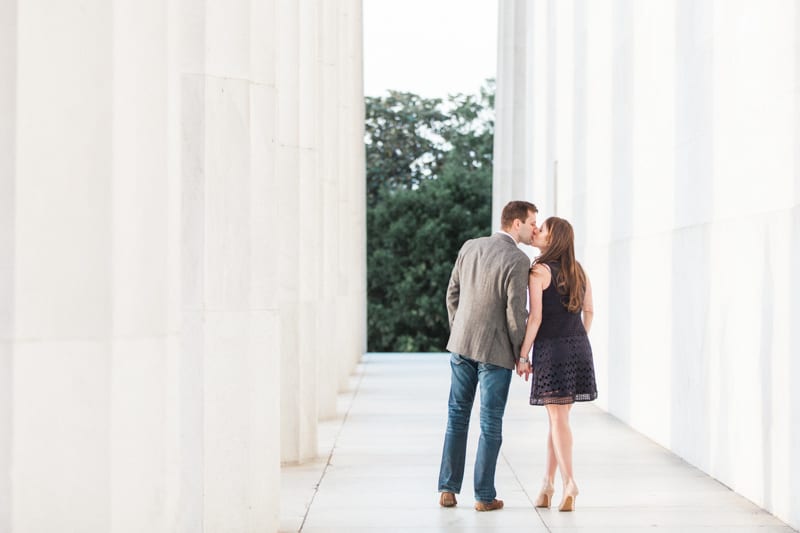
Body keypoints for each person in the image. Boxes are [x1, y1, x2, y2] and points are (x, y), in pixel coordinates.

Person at [438, 200, 539, 512]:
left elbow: (451, 293)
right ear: (515, 223)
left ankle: (447, 488)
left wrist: (460, 329)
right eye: (532, 222)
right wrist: (522, 353)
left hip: (461, 344)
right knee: (490, 423)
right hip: (494, 352)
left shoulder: (471, 246)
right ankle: (483, 496)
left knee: (457, 416)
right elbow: (515, 313)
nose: (535, 228)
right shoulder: (518, 259)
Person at [518, 216, 597, 513]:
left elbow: (535, 318)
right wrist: (576, 339)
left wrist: (524, 355)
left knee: (557, 419)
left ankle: (570, 482)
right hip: (579, 348)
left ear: (553, 240)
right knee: (558, 419)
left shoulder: (538, 271)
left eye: (542, 231)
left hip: (552, 350)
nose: (536, 232)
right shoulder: (579, 271)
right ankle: (547, 485)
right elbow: (589, 312)